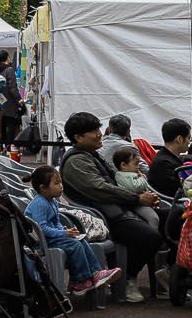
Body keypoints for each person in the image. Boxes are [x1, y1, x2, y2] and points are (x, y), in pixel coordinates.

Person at [58, 113, 163, 294]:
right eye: (94, 131)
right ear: (78, 137)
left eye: (99, 129)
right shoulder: (76, 161)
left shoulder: (91, 154)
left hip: (116, 208)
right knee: (151, 238)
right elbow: (100, 189)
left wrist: (142, 196)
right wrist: (137, 199)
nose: (100, 134)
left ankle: (166, 273)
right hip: (104, 215)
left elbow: (113, 182)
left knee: (171, 220)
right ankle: (126, 278)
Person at [26, 166, 119, 296]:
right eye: (56, 183)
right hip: (40, 242)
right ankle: (79, 281)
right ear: (43, 187)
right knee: (74, 244)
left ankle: (96, 274)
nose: (61, 186)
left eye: (60, 182)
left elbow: (55, 222)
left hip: (50, 239)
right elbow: (41, 229)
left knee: (80, 239)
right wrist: (63, 234)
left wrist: (63, 230)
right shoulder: (40, 203)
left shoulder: (52, 201)